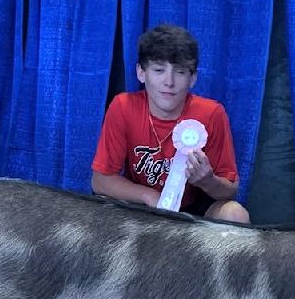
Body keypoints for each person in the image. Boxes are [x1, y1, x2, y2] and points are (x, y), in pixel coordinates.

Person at [92, 24, 250, 223]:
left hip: (193, 212)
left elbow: (230, 191)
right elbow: (100, 181)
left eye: (180, 72)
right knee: (100, 209)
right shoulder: (123, 106)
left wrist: (208, 181)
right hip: (141, 206)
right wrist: (149, 196)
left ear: (192, 79)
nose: (169, 81)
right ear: (141, 73)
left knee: (235, 213)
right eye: (159, 70)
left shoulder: (212, 113)